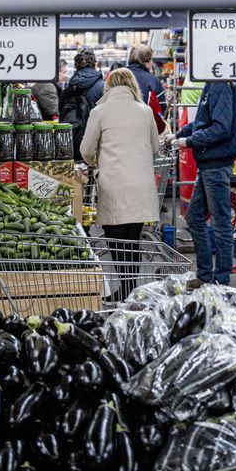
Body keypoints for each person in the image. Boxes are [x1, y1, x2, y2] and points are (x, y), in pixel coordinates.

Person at [80, 68, 160, 302]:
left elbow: (85, 149)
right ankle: (130, 289)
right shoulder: (145, 112)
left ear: (108, 86)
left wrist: (96, 162)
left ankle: (124, 289)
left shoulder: (100, 111)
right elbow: (154, 147)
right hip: (140, 184)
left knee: (116, 241)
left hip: (113, 184)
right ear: (132, 85)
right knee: (133, 242)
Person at [169, 80, 236, 285]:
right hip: (209, 162)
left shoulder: (220, 84)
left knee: (220, 222)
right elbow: (204, 121)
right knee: (194, 217)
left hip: (216, 164)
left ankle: (220, 280)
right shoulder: (213, 83)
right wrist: (179, 134)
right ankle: (204, 275)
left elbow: (220, 128)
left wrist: (189, 141)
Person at [60, 48, 104, 151]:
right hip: (95, 146)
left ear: (76, 66)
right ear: (95, 65)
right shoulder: (102, 87)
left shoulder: (67, 91)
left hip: (70, 145)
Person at [127, 44, 167, 113]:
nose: (152, 62)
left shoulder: (118, 76)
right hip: (145, 122)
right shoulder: (153, 81)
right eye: (151, 59)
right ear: (146, 61)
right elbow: (161, 108)